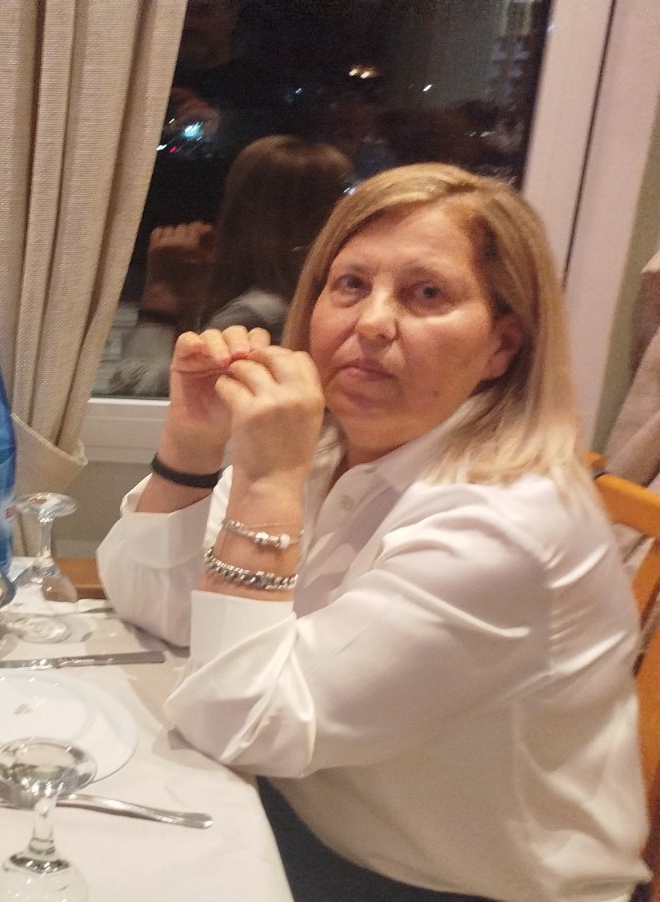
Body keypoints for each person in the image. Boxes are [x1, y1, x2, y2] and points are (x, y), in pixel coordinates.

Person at [98, 163, 647, 900]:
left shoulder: (506, 528)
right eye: (351, 284)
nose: (372, 322)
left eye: (427, 294)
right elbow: (153, 605)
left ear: (502, 346)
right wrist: (194, 444)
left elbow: (241, 723)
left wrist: (266, 482)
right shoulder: (333, 447)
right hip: (303, 814)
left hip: (454, 886)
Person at [109, 135, 351, 396]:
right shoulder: (310, 297)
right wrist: (191, 298)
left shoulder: (256, 314)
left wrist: (160, 296)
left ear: (243, 209)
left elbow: (138, 392)